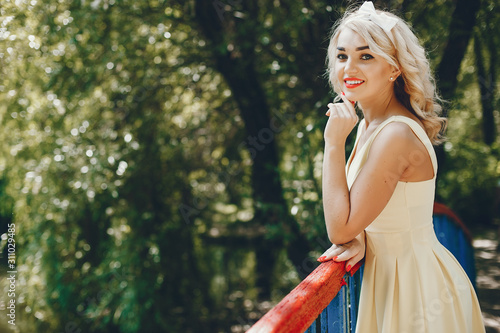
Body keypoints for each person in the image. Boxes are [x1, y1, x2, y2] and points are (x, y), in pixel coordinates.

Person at [316, 2, 485, 332]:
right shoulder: (369, 124)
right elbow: (368, 212)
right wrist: (363, 234)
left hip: (416, 290)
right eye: (342, 56)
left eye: (366, 56)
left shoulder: (395, 133)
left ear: (394, 68)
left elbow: (339, 230)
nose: (349, 68)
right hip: (389, 280)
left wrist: (333, 144)